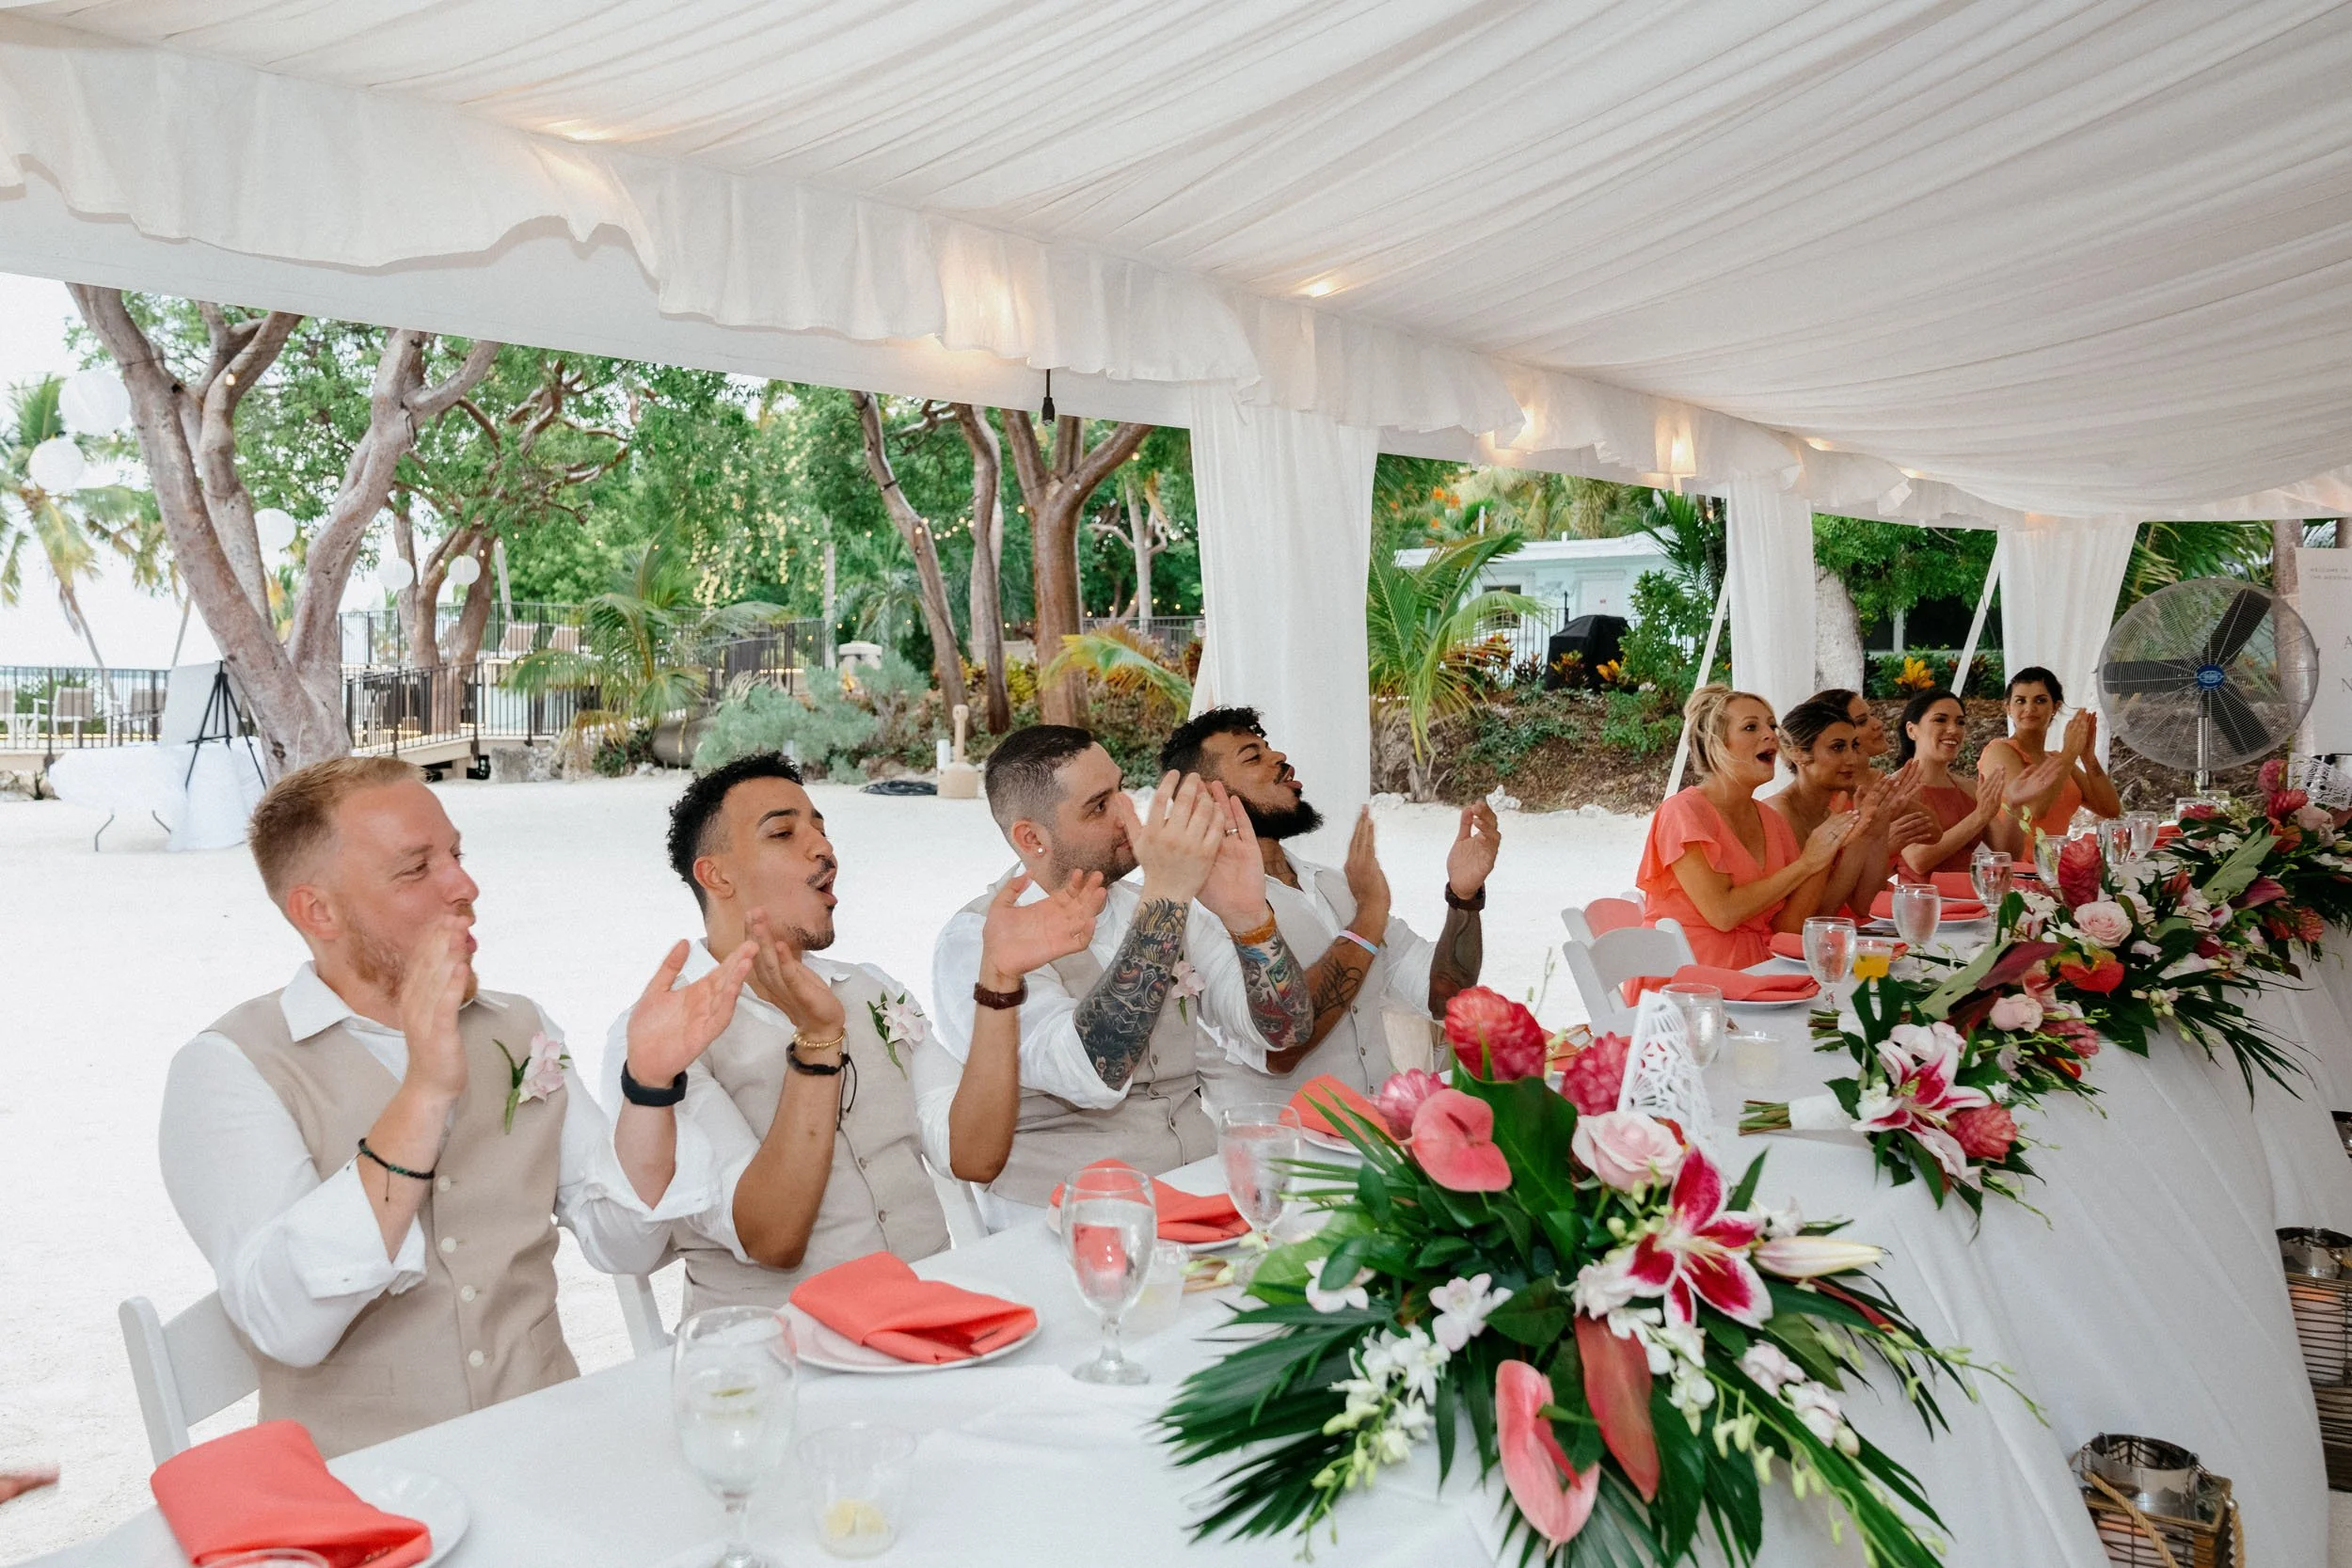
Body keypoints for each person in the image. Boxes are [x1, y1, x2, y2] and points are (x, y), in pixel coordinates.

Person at [159, 757, 753, 1456]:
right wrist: (423, 1092)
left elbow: (628, 1244)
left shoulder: (518, 1025)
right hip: (366, 1495)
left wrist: (650, 1084)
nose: (465, 887)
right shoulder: (231, 1066)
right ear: (317, 910)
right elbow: (287, 1323)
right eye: (416, 869)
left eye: (457, 855)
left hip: (550, 1448)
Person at [607, 753, 1104, 1313]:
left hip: (935, 1319)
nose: (823, 848)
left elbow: (974, 1155)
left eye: (821, 827)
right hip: (784, 1353)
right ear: (716, 874)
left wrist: (998, 980)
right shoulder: (661, 1039)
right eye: (783, 832)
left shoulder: (869, 988)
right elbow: (771, 1239)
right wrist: (817, 1041)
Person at [928, 725, 1313, 1222]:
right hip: (1063, 1217)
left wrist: (1248, 918)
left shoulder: (1152, 902)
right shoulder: (978, 940)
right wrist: (1168, 894)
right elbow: (1092, 1072)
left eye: (1121, 790)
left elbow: (1284, 1030)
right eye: (1099, 805)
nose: (1128, 814)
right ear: (1031, 837)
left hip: (1199, 1185)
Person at [1158, 707, 1498, 1101]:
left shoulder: (1335, 884)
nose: (1279, 758)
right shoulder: (1196, 914)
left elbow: (1445, 996)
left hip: (1376, 1142)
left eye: (1269, 748)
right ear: (1205, 798)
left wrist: (1464, 897)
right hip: (1286, 1156)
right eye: (1252, 756)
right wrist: (1369, 917)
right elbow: (1283, 1047)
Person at [1637, 686, 1853, 969]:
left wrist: (1826, 850)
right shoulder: (1682, 812)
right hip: (1692, 981)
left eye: (1772, 725)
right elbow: (1723, 913)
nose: (1770, 734)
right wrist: (1806, 863)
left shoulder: (1772, 821)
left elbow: (1786, 927)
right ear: (1716, 744)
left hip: (1762, 971)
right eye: (1751, 727)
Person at [1768, 692, 1936, 920]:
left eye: (1854, 746)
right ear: (1799, 754)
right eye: (1838, 748)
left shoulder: (1843, 804)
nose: (1852, 759)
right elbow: (1817, 914)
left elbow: (1866, 904)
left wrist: (1874, 833)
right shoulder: (1780, 814)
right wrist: (1862, 838)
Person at [1894, 688, 2067, 877]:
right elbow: (1918, 860)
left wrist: (2014, 804)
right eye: (1940, 720)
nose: (1953, 730)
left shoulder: (1970, 787)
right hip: (1923, 900)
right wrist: (1978, 817)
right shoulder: (1896, 787)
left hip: (1972, 895)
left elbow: (2008, 854)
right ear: (1912, 730)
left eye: (1960, 722)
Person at [1975, 666, 2121, 836]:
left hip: (2056, 860)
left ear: (2055, 707)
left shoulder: (2059, 760)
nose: (2029, 708)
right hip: (2017, 862)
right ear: (2008, 708)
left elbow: (2111, 809)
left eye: (2040, 700)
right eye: (2020, 701)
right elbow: (2033, 810)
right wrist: (2069, 753)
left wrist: (2089, 758)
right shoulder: (1999, 750)